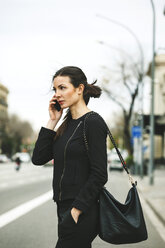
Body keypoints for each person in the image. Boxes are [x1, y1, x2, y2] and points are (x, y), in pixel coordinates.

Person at [32, 66, 108, 248]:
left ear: (80, 89)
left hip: (81, 210)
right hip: (63, 207)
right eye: (55, 89)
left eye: (62, 88)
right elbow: (38, 158)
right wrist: (53, 120)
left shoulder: (93, 122)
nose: (57, 94)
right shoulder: (66, 125)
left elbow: (99, 174)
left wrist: (76, 210)